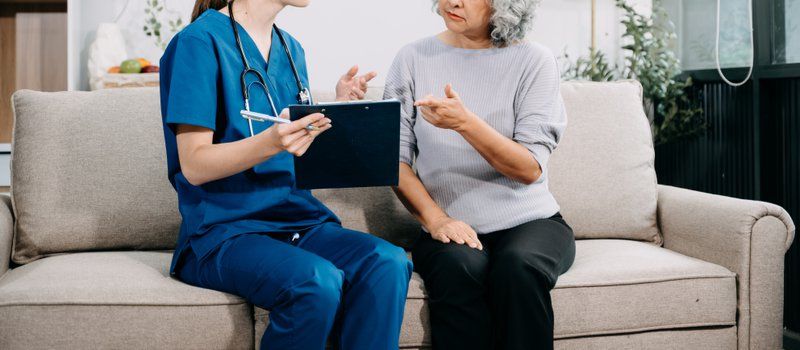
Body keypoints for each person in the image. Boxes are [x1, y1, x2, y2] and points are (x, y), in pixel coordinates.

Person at [159, 1, 412, 349]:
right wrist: (271, 142)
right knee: (314, 281)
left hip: (297, 221)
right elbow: (195, 165)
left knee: (387, 262)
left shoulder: (291, 49)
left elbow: (293, 143)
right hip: (222, 231)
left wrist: (334, 111)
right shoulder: (198, 42)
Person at [385, 0, 576, 349]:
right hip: (448, 224)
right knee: (459, 268)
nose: (452, 2)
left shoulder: (534, 60)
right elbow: (392, 160)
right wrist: (437, 220)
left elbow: (529, 168)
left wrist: (465, 123)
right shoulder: (412, 59)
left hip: (532, 222)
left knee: (519, 268)